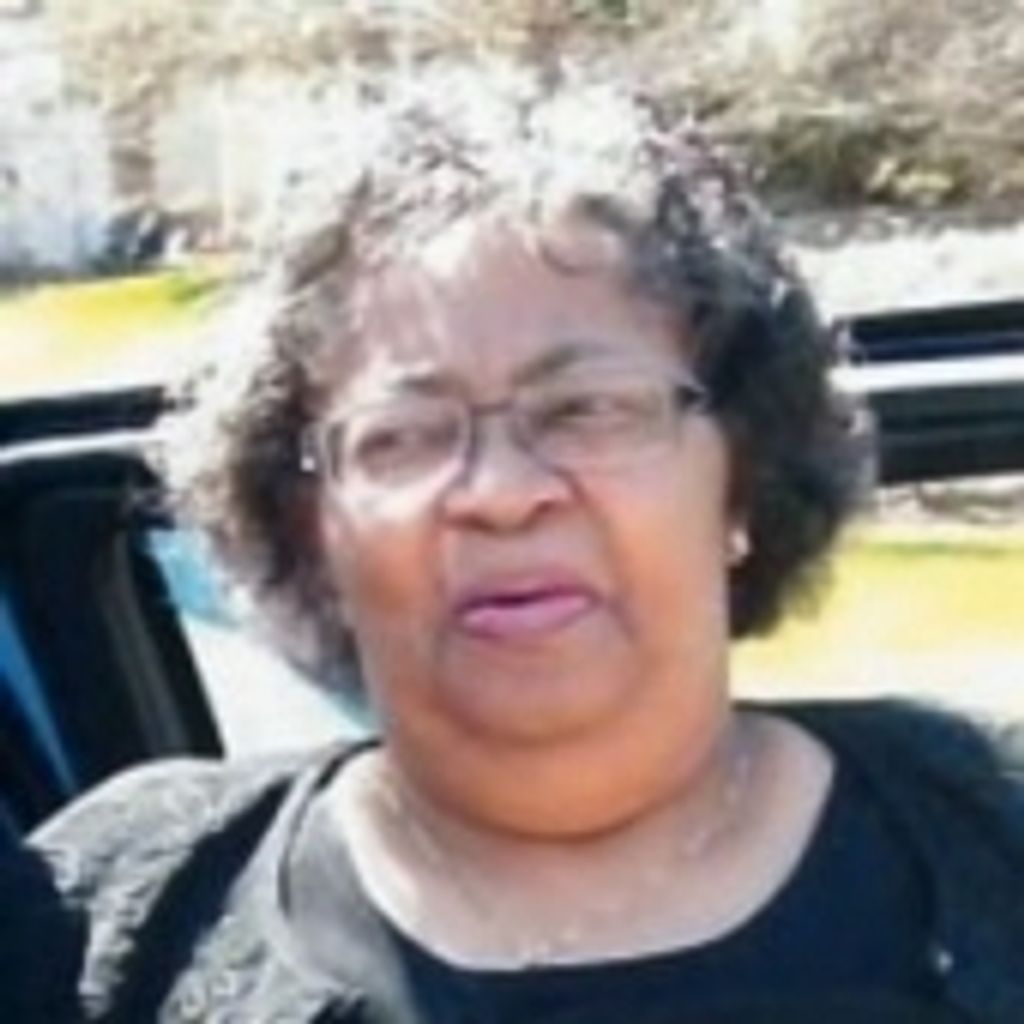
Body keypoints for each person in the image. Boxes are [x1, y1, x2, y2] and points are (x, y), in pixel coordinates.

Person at [29, 67, 1024, 1023]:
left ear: (744, 476)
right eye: (403, 435)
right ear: (310, 527)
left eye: (587, 409)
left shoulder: (991, 832)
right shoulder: (97, 922)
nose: (501, 495)